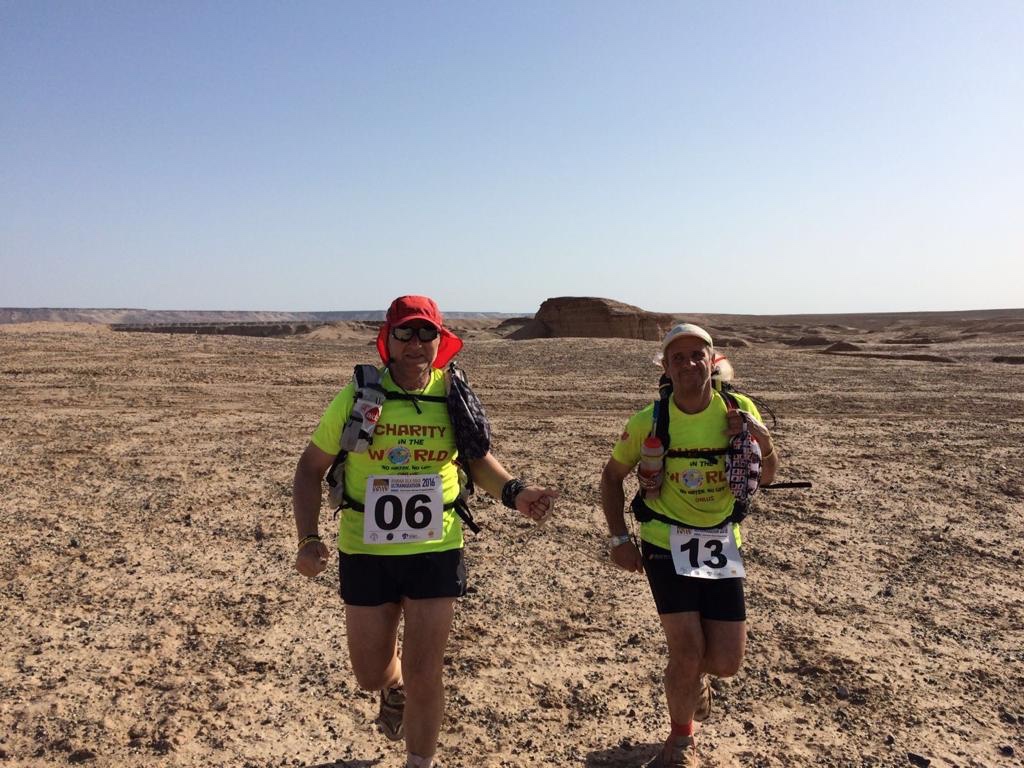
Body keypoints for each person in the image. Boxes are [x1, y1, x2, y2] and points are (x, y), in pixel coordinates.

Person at [292, 295, 557, 768]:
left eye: (426, 333)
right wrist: (309, 539)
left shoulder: (452, 395)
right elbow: (310, 468)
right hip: (365, 550)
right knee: (370, 674)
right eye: (405, 333)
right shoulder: (358, 396)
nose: (416, 343)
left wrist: (515, 491)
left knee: (425, 670)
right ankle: (390, 690)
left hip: (437, 547)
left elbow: (477, 462)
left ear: (441, 339)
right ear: (388, 341)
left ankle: (420, 760)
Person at [600, 323, 779, 768]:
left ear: (710, 360)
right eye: (677, 358)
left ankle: (697, 679)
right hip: (665, 540)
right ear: (665, 366)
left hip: (721, 541)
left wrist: (762, 438)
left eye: (696, 355)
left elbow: (768, 475)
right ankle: (680, 743)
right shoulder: (649, 420)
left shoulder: (738, 410)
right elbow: (611, 477)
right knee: (686, 650)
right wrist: (620, 538)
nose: (687, 364)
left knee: (725, 661)